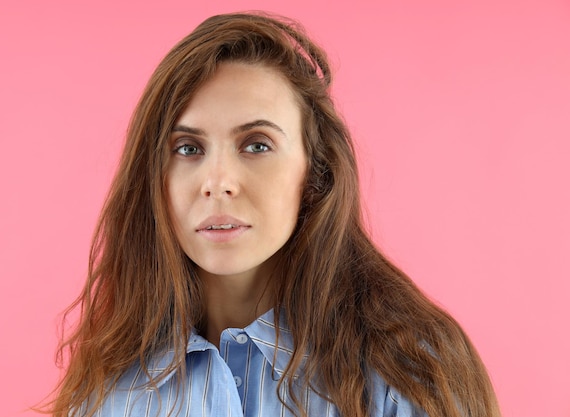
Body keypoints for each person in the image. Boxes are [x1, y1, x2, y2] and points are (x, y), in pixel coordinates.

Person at [46, 12, 500, 417]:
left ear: (315, 170)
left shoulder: (407, 373)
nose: (218, 181)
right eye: (188, 149)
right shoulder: (106, 392)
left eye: (257, 144)